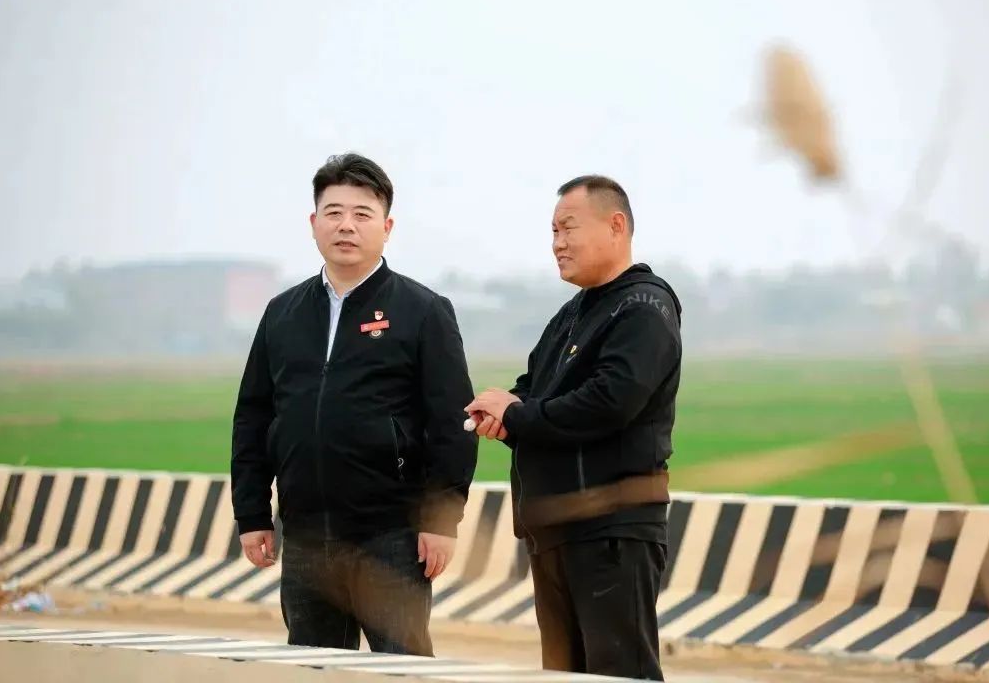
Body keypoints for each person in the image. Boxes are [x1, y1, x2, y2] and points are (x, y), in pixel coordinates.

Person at [232, 152, 478, 655]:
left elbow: (451, 423)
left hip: (390, 537)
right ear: (313, 223)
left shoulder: (423, 311)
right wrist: (252, 513)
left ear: (386, 227)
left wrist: (441, 522)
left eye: (362, 214)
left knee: (403, 668)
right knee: (314, 668)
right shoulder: (282, 313)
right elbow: (254, 416)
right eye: (334, 212)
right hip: (305, 535)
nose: (346, 225)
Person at [465, 175, 682, 681]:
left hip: (610, 532)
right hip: (556, 531)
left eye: (568, 228)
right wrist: (502, 413)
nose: (558, 244)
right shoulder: (574, 312)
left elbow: (609, 402)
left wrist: (516, 415)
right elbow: (536, 390)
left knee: (619, 672)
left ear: (616, 225)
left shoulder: (644, 308)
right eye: (553, 231)